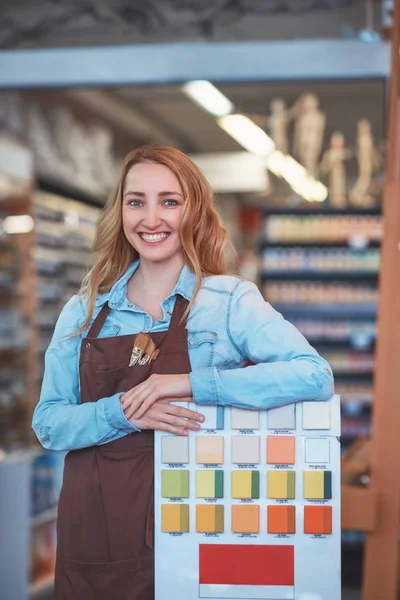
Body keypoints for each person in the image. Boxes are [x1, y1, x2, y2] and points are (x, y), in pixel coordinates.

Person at [32, 144, 334, 600]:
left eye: (169, 202)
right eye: (136, 202)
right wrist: (127, 413)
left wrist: (191, 384)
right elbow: (49, 423)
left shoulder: (228, 302)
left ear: (194, 210)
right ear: (121, 211)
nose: (150, 219)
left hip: (203, 524)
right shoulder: (85, 310)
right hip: (98, 535)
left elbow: (314, 375)